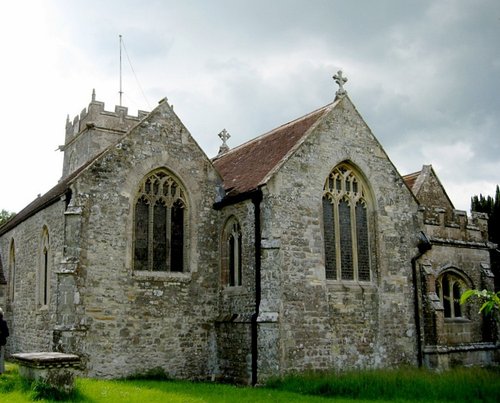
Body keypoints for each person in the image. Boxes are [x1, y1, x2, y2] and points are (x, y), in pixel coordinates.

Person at [0, 307, 9, 375]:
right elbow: (6, 334)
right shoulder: (3, 322)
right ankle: (1, 371)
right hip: (1, 342)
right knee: (1, 357)